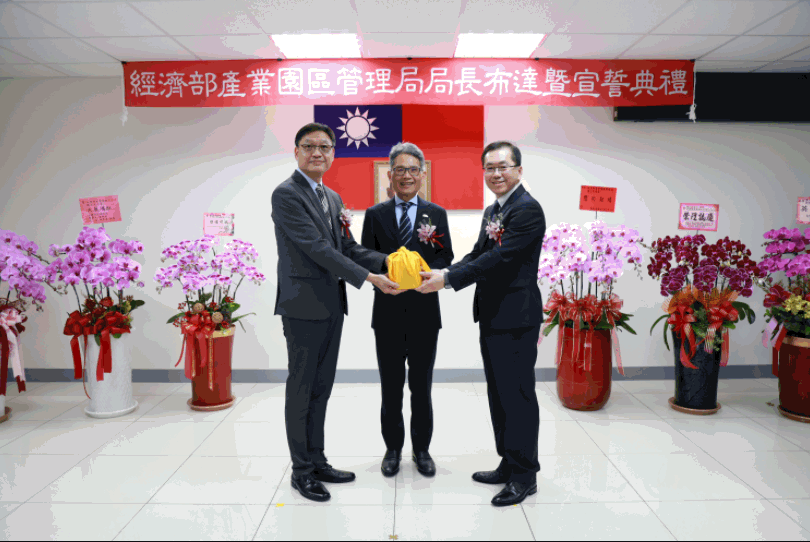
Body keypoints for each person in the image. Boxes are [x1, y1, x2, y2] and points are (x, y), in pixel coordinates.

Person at [271, 122, 399, 503]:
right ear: (296, 151)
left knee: (321, 388)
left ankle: (318, 460)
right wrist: (370, 278)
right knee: (302, 388)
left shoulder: (332, 197)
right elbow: (317, 249)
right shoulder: (287, 194)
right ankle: (301, 471)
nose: (317, 153)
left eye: (325, 147)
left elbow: (347, 247)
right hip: (301, 306)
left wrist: (389, 262)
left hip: (331, 305)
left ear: (333, 154)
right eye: (309, 146)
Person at [417, 141, 546, 507]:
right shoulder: (495, 209)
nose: (496, 174)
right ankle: (508, 461)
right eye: (489, 168)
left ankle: (525, 475)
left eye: (503, 166)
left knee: (517, 396)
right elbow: (479, 253)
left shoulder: (527, 209)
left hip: (516, 316)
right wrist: (444, 271)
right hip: (492, 314)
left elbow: (501, 258)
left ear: (519, 170)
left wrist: (448, 280)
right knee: (499, 393)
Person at [361, 142, 454, 478]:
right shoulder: (375, 214)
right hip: (386, 312)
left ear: (422, 174)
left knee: (421, 387)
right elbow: (364, 255)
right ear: (390, 174)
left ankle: (422, 450)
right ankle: (392, 450)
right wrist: (388, 266)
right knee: (390, 387)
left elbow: (446, 257)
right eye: (400, 169)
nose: (407, 176)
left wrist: (426, 271)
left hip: (425, 313)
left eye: (413, 169)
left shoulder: (436, 214)